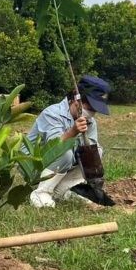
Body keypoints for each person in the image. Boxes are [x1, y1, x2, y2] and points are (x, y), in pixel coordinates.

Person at [27, 76, 112, 208]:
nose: (91, 113)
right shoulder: (52, 114)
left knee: (96, 151)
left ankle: (65, 188)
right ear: (76, 99)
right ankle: (42, 192)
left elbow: (88, 154)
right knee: (64, 153)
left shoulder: (90, 122)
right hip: (33, 165)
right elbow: (53, 148)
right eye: (90, 107)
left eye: (95, 110)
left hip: (63, 166)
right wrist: (72, 132)